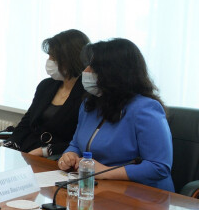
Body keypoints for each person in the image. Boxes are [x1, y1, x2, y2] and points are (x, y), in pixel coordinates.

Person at [57, 39, 174, 191]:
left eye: (93, 66)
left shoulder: (145, 108)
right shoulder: (89, 104)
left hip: (144, 194)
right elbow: (76, 144)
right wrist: (69, 155)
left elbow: (159, 166)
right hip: (99, 188)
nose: (85, 71)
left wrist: (105, 172)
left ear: (114, 72)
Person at [7, 29, 90, 157]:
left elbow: (82, 140)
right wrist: (11, 142)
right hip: (28, 149)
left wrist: (45, 151)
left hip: (58, 156)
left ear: (71, 59)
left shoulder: (88, 94)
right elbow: (27, 122)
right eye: (49, 56)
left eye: (54, 58)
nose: (49, 61)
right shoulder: (46, 85)